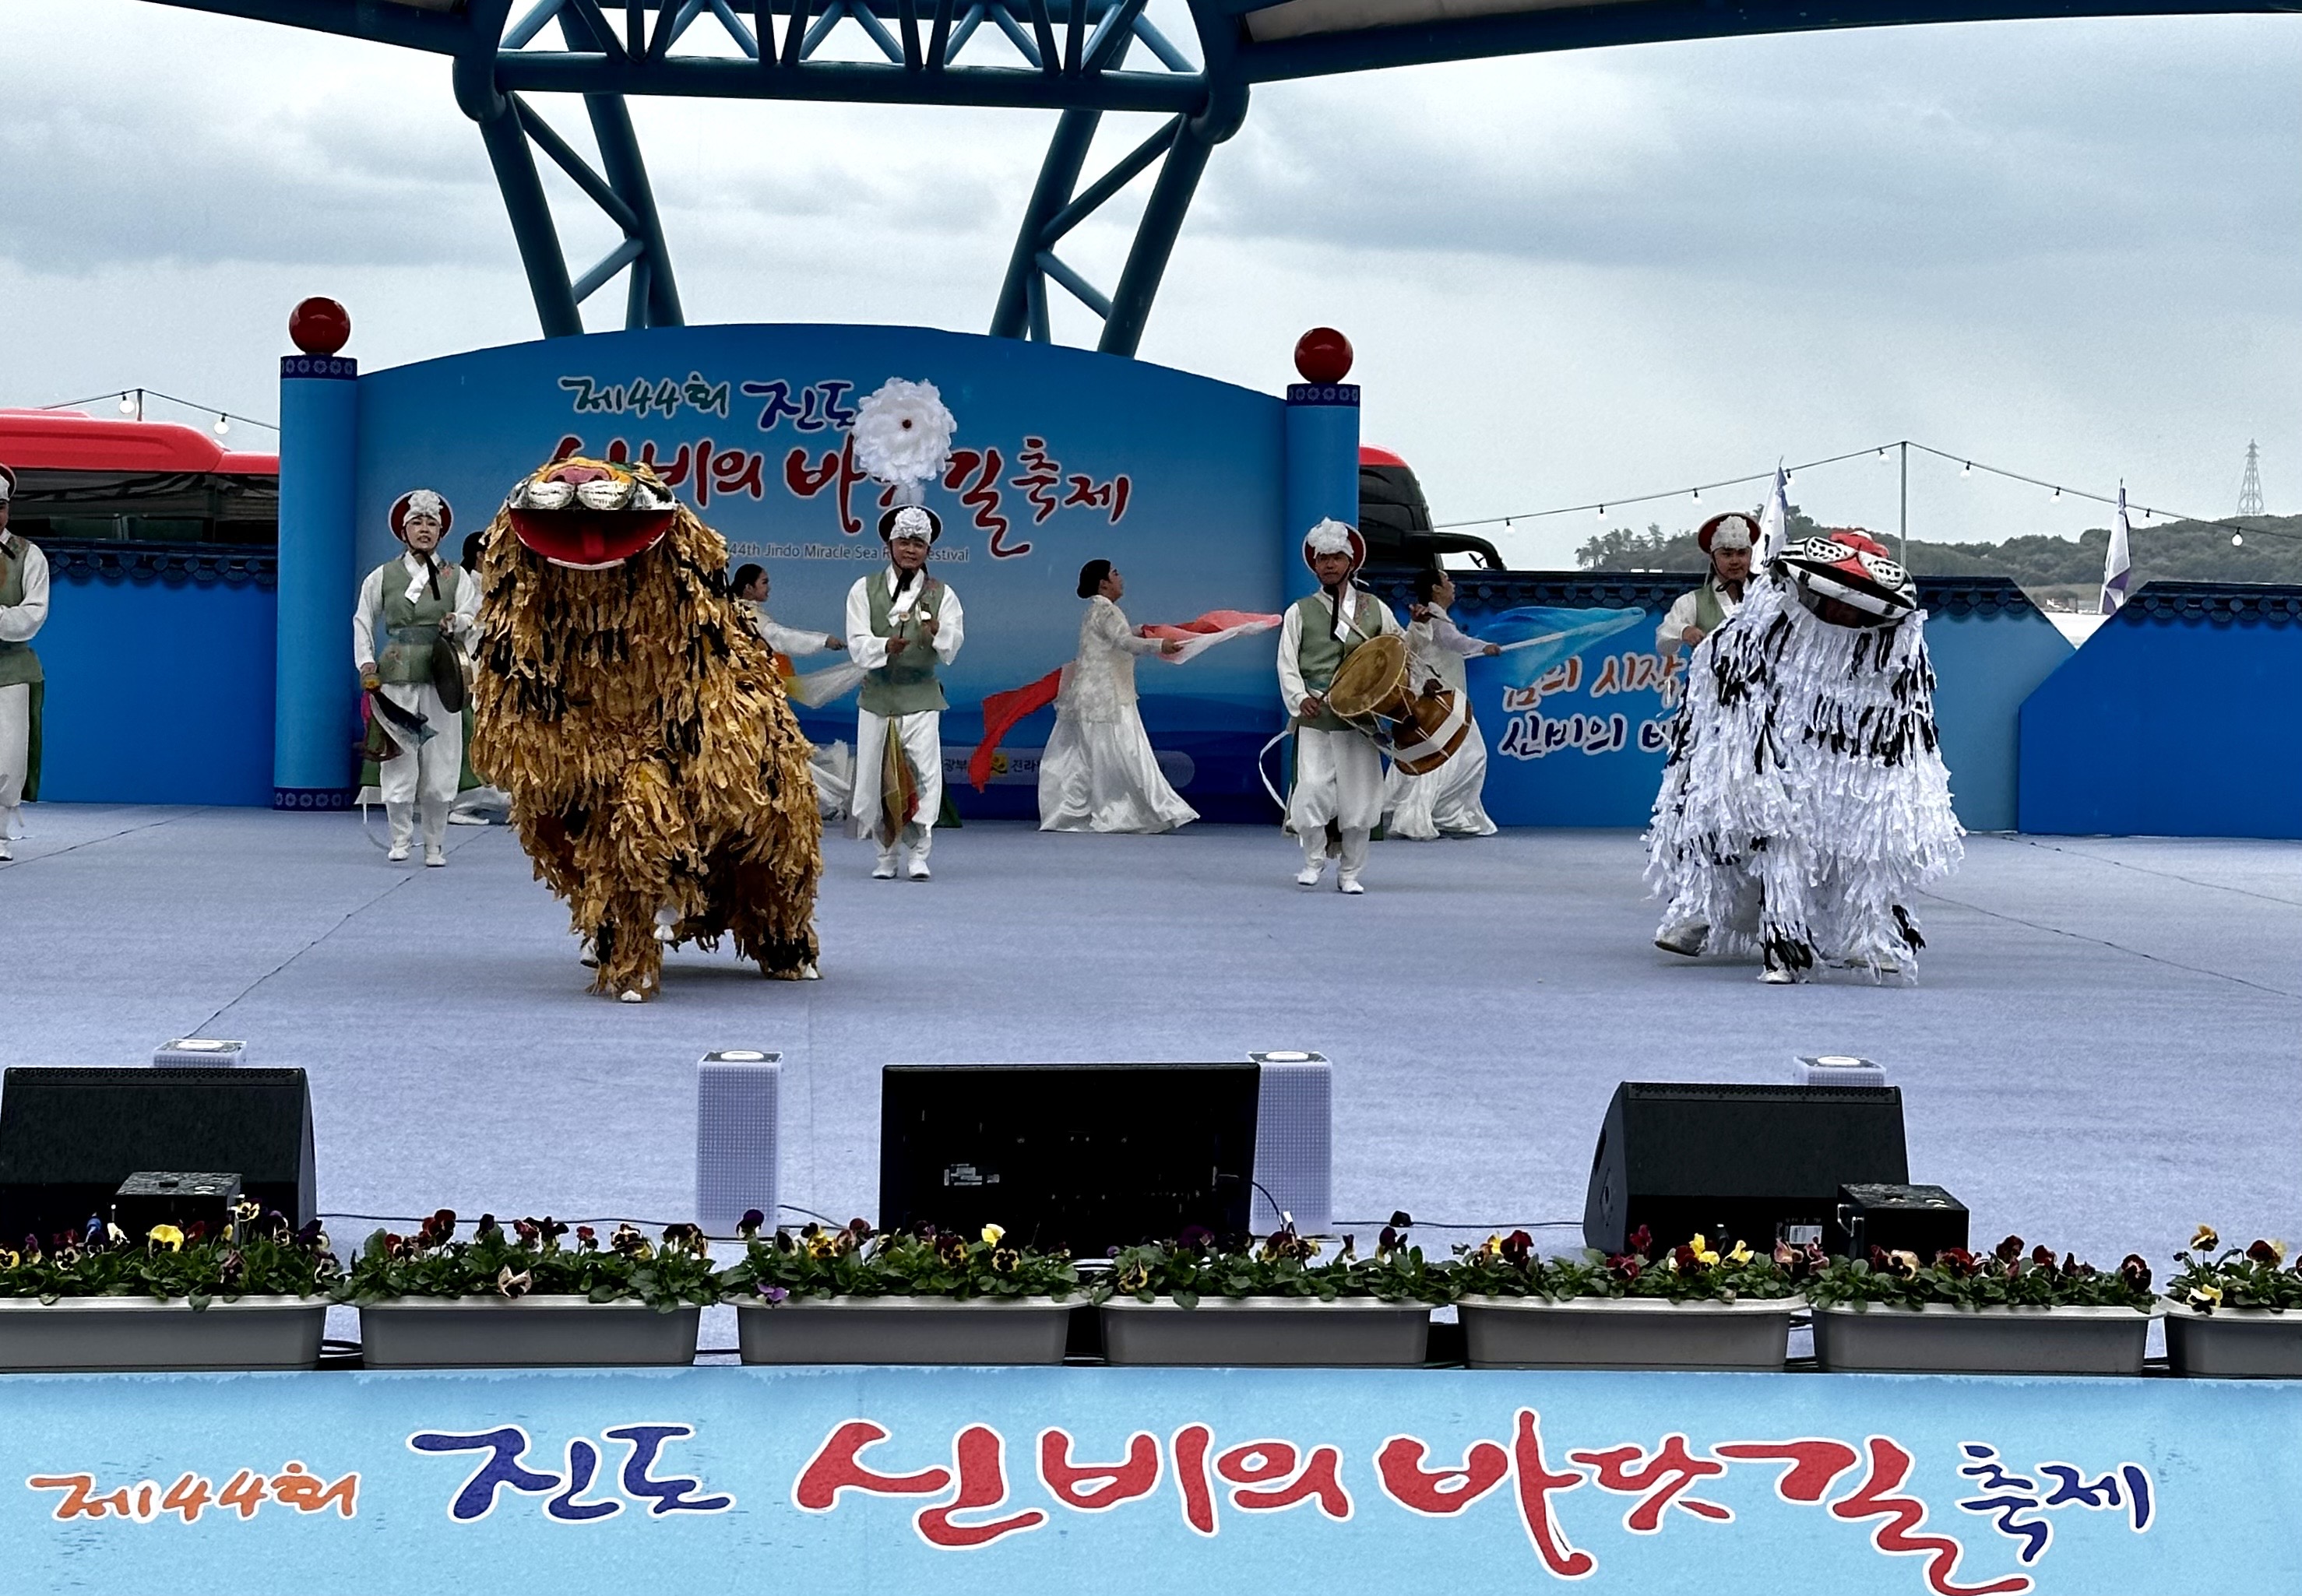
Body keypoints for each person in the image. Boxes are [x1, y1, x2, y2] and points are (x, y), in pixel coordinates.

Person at [1646, 529, 1962, 983]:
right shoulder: (1748, 622)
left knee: (1872, 843)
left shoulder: (1895, 654)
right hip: (1762, 746)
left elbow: (1907, 719)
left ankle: (1870, 934)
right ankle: (1725, 919)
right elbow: (1708, 664)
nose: (1844, 613)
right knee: (1761, 834)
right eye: (1727, 553)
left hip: (1863, 750)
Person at [353, 490, 480, 866]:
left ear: (440, 533)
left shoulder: (456, 577)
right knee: (400, 758)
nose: (424, 529)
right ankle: (400, 839)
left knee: (442, 758)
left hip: (441, 676)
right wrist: (365, 662)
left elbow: (473, 616)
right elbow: (363, 619)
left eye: (431, 523)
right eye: (417, 522)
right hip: (395, 676)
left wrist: (457, 622)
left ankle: (435, 844)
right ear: (404, 531)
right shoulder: (383, 576)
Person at [1277, 519, 1403, 894]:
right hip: (1317, 717)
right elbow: (1287, 663)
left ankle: (1350, 872)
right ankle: (1313, 860)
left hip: (1361, 721)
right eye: (1322, 559)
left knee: (1360, 801)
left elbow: (1398, 653)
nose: (1329, 565)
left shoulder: (1376, 609)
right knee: (1312, 791)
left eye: (1335, 558)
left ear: (1350, 562)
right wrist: (1300, 699)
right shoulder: (1299, 611)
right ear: (1314, 565)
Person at [845, 505, 963, 880]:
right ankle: (885, 855)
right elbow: (857, 639)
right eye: (903, 542)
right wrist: (883, 648)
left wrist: (936, 633)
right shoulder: (864, 588)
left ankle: (919, 854)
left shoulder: (942, 594)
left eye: (918, 543)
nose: (910, 549)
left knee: (923, 773)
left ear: (928, 550)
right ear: (889, 545)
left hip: (921, 696)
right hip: (878, 696)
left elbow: (952, 645)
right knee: (875, 776)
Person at [1038, 559, 1192, 833]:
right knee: (1123, 759)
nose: (1121, 578)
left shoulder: (1096, 611)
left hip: (1094, 699)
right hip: (1107, 701)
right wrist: (1161, 645)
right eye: (1115, 573)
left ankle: (1083, 813)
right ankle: (1124, 813)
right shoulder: (1108, 613)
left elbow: (1115, 640)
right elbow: (1123, 642)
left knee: (1090, 762)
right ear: (1104, 584)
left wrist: (1139, 630)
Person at [734, 561, 865, 819]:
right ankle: (824, 801)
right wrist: (823, 640)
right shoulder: (747, 616)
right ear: (748, 588)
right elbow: (781, 637)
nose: (769, 588)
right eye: (764, 582)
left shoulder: (728, 611)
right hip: (746, 702)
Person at [1385, 565, 1501, 841]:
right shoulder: (1434, 619)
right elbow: (1455, 642)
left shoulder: (1437, 618)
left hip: (1446, 702)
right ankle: (1426, 816)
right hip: (1441, 706)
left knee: (1451, 757)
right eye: (1447, 580)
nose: (1453, 584)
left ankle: (1446, 814)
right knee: (1455, 757)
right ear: (1436, 588)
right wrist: (1483, 646)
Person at [0, 464, 48, 863]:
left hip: (11, 670)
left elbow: (33, 613)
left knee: (8, 755)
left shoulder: (28, 555)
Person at [448, 527, 510, 826]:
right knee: (470, 731)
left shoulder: (496, 586)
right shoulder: (464, 586)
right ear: (480, 555)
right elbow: (465, 625)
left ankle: (491, 791)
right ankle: (464, 799)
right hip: (468, 668)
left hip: (493, 670)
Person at [1656, 511, 1756, 656]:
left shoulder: (1766, 599)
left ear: (1750, 555)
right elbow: (1663, 642)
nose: (1735, 561)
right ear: (1713, 558)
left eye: (1741, 553)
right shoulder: (1692, 602)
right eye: (1727, 554)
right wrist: (1683, 631)